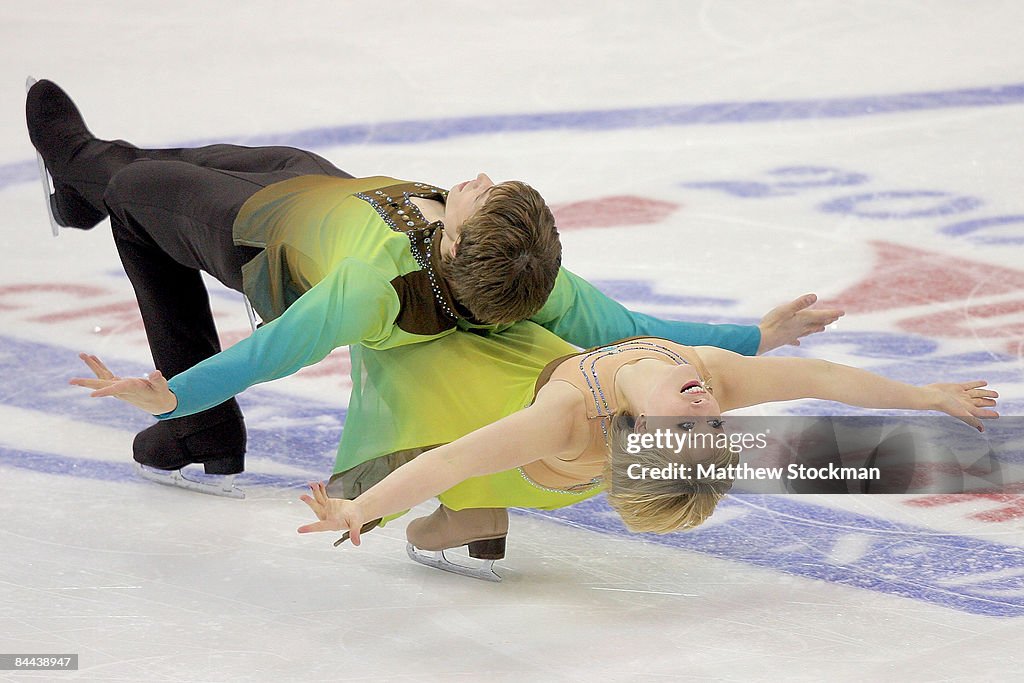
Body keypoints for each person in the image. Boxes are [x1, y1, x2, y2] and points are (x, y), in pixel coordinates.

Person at [33, 79, 842, 490]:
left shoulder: (370, 289)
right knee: (189, 162)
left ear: (450, 245)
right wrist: (761, 335)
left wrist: (173, 395)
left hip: (258, 235)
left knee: (133, 188)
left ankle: (198, 428)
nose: (478, 178)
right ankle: (82, 192)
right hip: (323, 184)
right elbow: (640, 328)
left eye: (474, 199)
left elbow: (268, 352)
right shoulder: (540, 283)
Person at [294, 322, 998, 579]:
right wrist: (928, 395)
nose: (706, 414)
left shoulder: (567, 419)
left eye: (687, 430)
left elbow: (452, 459)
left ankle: (473, 518)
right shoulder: (708, 380)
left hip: (537, 459)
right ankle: (479, 520)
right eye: (714, 431)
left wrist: (361, 506)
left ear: (635, 433)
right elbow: (820, 377)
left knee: (442, 471)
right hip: (535, 373)